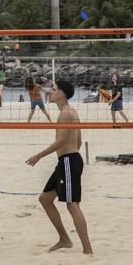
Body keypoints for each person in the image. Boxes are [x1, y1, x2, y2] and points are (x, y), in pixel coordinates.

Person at [25, 79, 93, 255]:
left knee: (72, 204)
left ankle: (87, 249)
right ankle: (64, 238)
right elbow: (78, 141)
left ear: (61, 94)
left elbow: (62, 141)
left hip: (69, 161)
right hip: (66, 161)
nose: (50, 92)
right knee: (45, 199)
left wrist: (39, 156)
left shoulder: (66, 113)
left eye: (54, 89)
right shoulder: (69, 111)